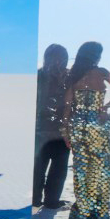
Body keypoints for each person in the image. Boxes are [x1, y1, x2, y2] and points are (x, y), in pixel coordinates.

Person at [62, 42, 110, 219]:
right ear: (97, 56)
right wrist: (106, 106)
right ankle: (100, 210)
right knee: (101, 166)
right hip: (98, 124)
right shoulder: (103, 72)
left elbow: (67, 106)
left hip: (78, 125)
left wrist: (65, 132)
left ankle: (83, 210)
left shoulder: (73, 74)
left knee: (81, 167)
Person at [33, 44, 70, 209]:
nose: (59, 62)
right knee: (38, 168)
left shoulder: (68, 77)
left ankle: (51, 201)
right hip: (41, 131)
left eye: (63, 58)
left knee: (58, 169)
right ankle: (36, 200)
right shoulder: (39, 76)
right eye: (56, 57)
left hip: (61, 132)